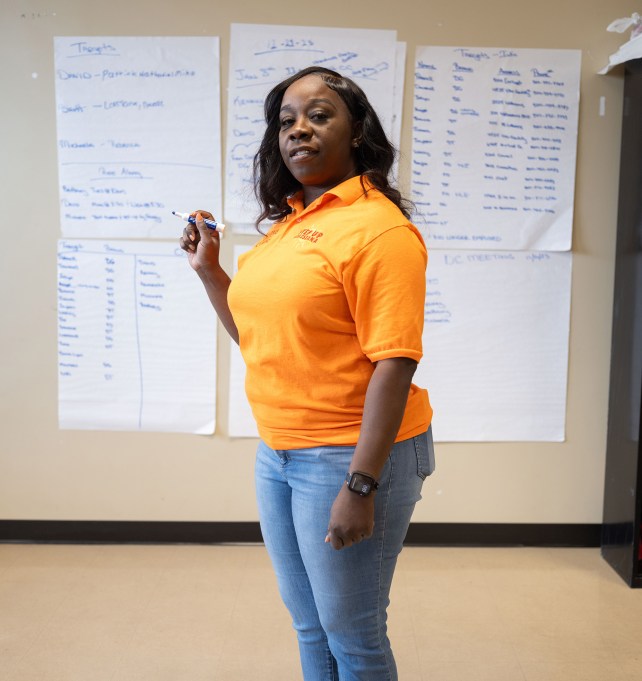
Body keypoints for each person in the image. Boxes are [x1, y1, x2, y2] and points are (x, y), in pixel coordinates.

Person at [180, 65, 435, 681]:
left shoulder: (380, 230)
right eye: (286, 120)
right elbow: (263, 341)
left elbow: (394, 362)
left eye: (319, 115)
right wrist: (211, 272)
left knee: (353, 637)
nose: (299, 130)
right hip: (281, 451)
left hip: (350, 456)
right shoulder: (291, 225)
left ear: (356, 132)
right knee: (310, 624)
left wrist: (362, 484)